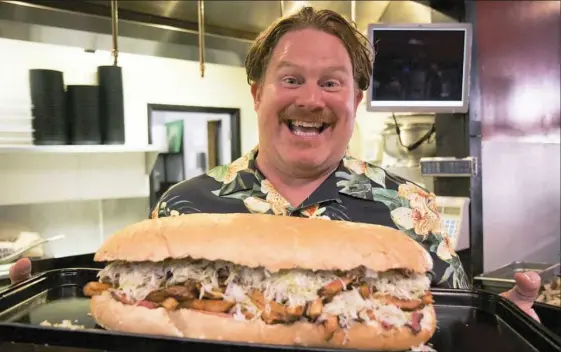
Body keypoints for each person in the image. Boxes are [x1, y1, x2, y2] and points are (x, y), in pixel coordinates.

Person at [10, 6, 541, 321]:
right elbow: (143, 320)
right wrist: (29, 308)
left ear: (355, 100)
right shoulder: (183, 207)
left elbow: (447, 325)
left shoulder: (412, 211)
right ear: (257, 92)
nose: (311, 98)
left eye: (331, 82)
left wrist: (503, 326)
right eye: (291, 79)